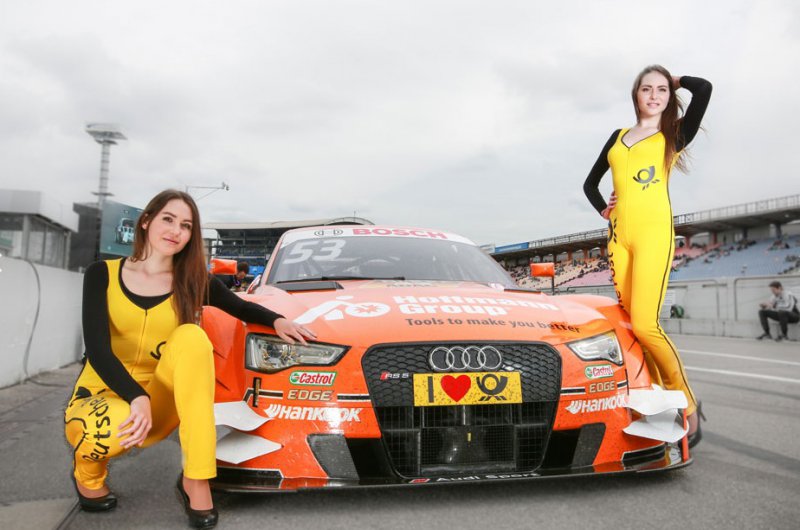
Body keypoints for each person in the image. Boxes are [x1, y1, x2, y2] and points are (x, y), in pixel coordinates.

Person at [64, 190, 315, 529]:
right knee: (102, 430)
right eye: (168, 219)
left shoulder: (192, 281)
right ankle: (88, 474)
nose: (176, 231)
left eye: (186, 226)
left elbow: (240, 307)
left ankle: (196, 479)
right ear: (146, 221)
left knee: (193, 337)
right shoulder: (101, 274)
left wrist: (278, 321)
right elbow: (97, 349)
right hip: (105, 393)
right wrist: (135, 396)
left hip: (161, 395)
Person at [583, 65, 712, 446]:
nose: (654, 96)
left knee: (645, 325)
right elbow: (590, 183)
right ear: (635, 95)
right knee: (629, 325)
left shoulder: (674, 134)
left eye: (661, 90)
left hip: (654, 235)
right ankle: (657, 401)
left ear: (669, 96)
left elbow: (704, 89)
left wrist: (677, 81)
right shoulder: (617, 136)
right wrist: (603, 209)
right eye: (646, 89)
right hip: (618, 238)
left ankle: (688, 406)